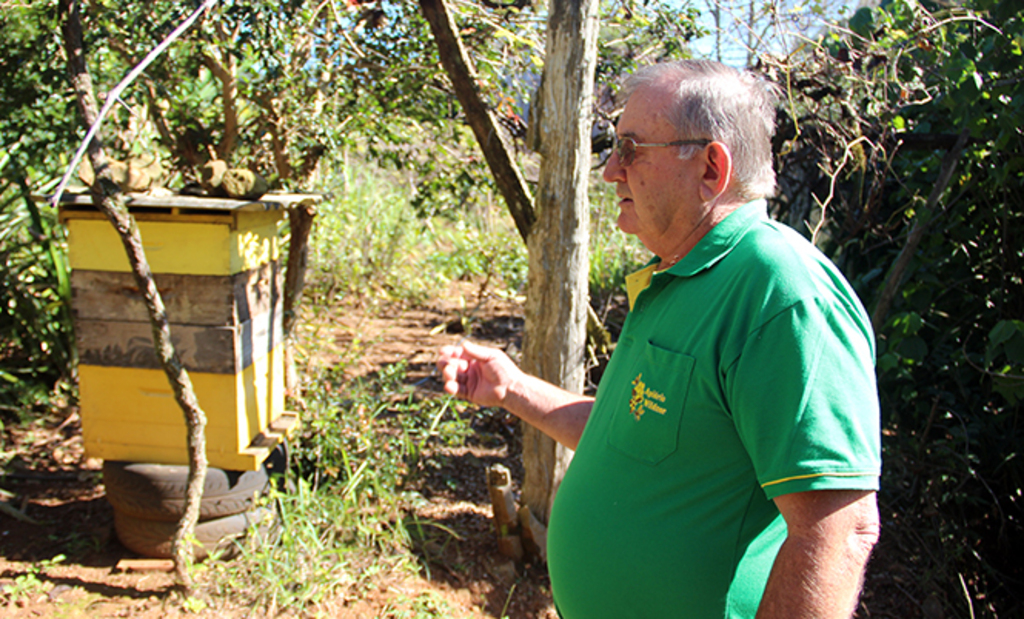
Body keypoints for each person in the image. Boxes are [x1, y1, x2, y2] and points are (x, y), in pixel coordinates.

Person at [437, 59, 881, 619]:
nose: (610, 171)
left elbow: (838, 530)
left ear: (710, 168)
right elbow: (631, 432)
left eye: (629, 149)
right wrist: (513, 388)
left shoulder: (779, 292)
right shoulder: (677, 278)